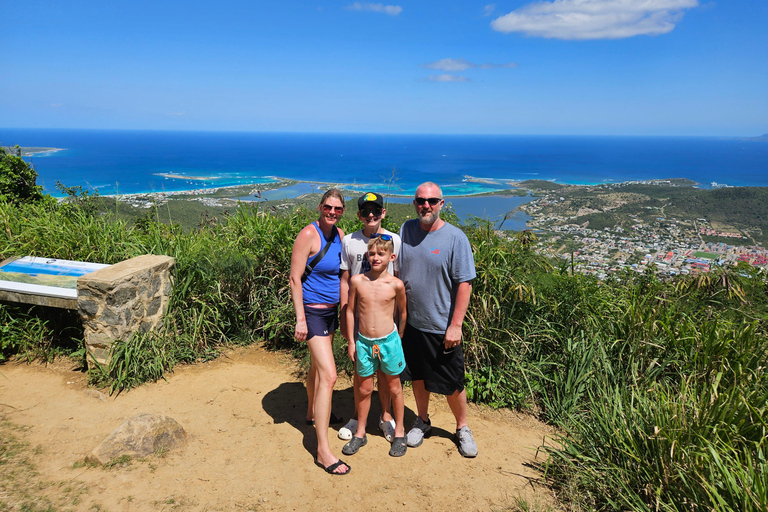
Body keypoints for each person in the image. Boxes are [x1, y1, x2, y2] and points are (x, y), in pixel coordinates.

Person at [398, 181, 479, 458]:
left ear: (441, 204)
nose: (426, 205)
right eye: (421, 200)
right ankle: (422, 420)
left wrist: (455, 325)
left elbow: (465, 284)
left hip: (442, 326)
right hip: (412, 323)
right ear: (415, 203)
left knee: (452, 382)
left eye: (432, 201)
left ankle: (462, 427)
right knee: (417, 377)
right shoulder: (406, 230)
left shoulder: (456, 238)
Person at [289, 189, 350, 475]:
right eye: (328, 207)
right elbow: (294, 278)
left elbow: (342, 276)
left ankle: (313, 412)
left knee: (316, 368)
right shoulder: (308, 235)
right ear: (320, 206)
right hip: (312, 313)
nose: (332, 212)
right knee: (330, 374)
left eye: (338, 209)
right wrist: (300, 319)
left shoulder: (339, 236)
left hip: (331, 312)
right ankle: (323, 451)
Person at [338, 192, 402, 443]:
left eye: (376, 211)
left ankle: (386, 417)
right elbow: (345, 280)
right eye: (366, 212)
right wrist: (344, 312)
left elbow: (397, 279)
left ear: (383, 213)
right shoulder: (350, 241)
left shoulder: (394, 240)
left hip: (386, 321)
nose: (371, 215)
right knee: (360, 371)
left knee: (387, 374)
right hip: (359, 318)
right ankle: (357, 417)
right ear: (359, 215)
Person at [342, 234, 408, 457]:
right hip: (364, 342)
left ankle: (399, 432)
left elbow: (403, 313)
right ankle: (360, 433)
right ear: (366, 256)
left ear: (392, 256)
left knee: (394, 387)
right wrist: (352, 341)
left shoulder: (396, 285)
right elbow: (350, 311)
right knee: (363, 388)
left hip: (389, 342)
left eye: (381, 253)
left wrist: (398, 337)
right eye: (372, 254)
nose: (376, 258)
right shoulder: (358, 281)